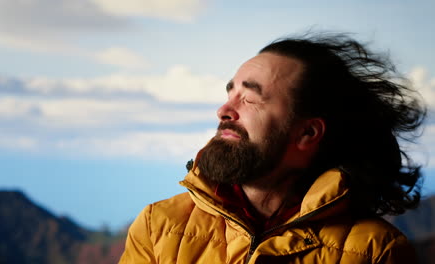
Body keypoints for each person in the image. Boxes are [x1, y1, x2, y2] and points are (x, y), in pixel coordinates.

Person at [119, 33, 426, 263]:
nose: (224, 110)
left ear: (307, 133)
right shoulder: (158, 225)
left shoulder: (376, 251)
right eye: (230, 93)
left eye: (249, 99)